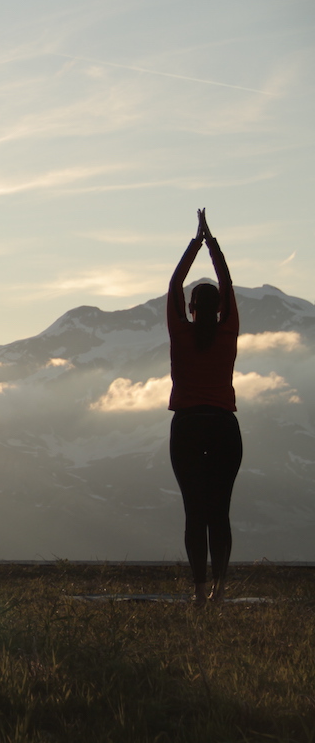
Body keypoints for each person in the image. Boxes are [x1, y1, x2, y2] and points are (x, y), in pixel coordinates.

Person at [167, 209, 241, 607]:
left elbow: (174, 283)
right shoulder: (228, 331)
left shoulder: (181, 332)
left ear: (192, 308)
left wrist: (195, 243)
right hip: (224, 426)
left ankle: (198, 592)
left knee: (194, 511)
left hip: (188, 426)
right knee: (220, 511)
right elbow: (227, 284)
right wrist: (212, 243)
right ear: (217, 309)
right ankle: (220, 590)